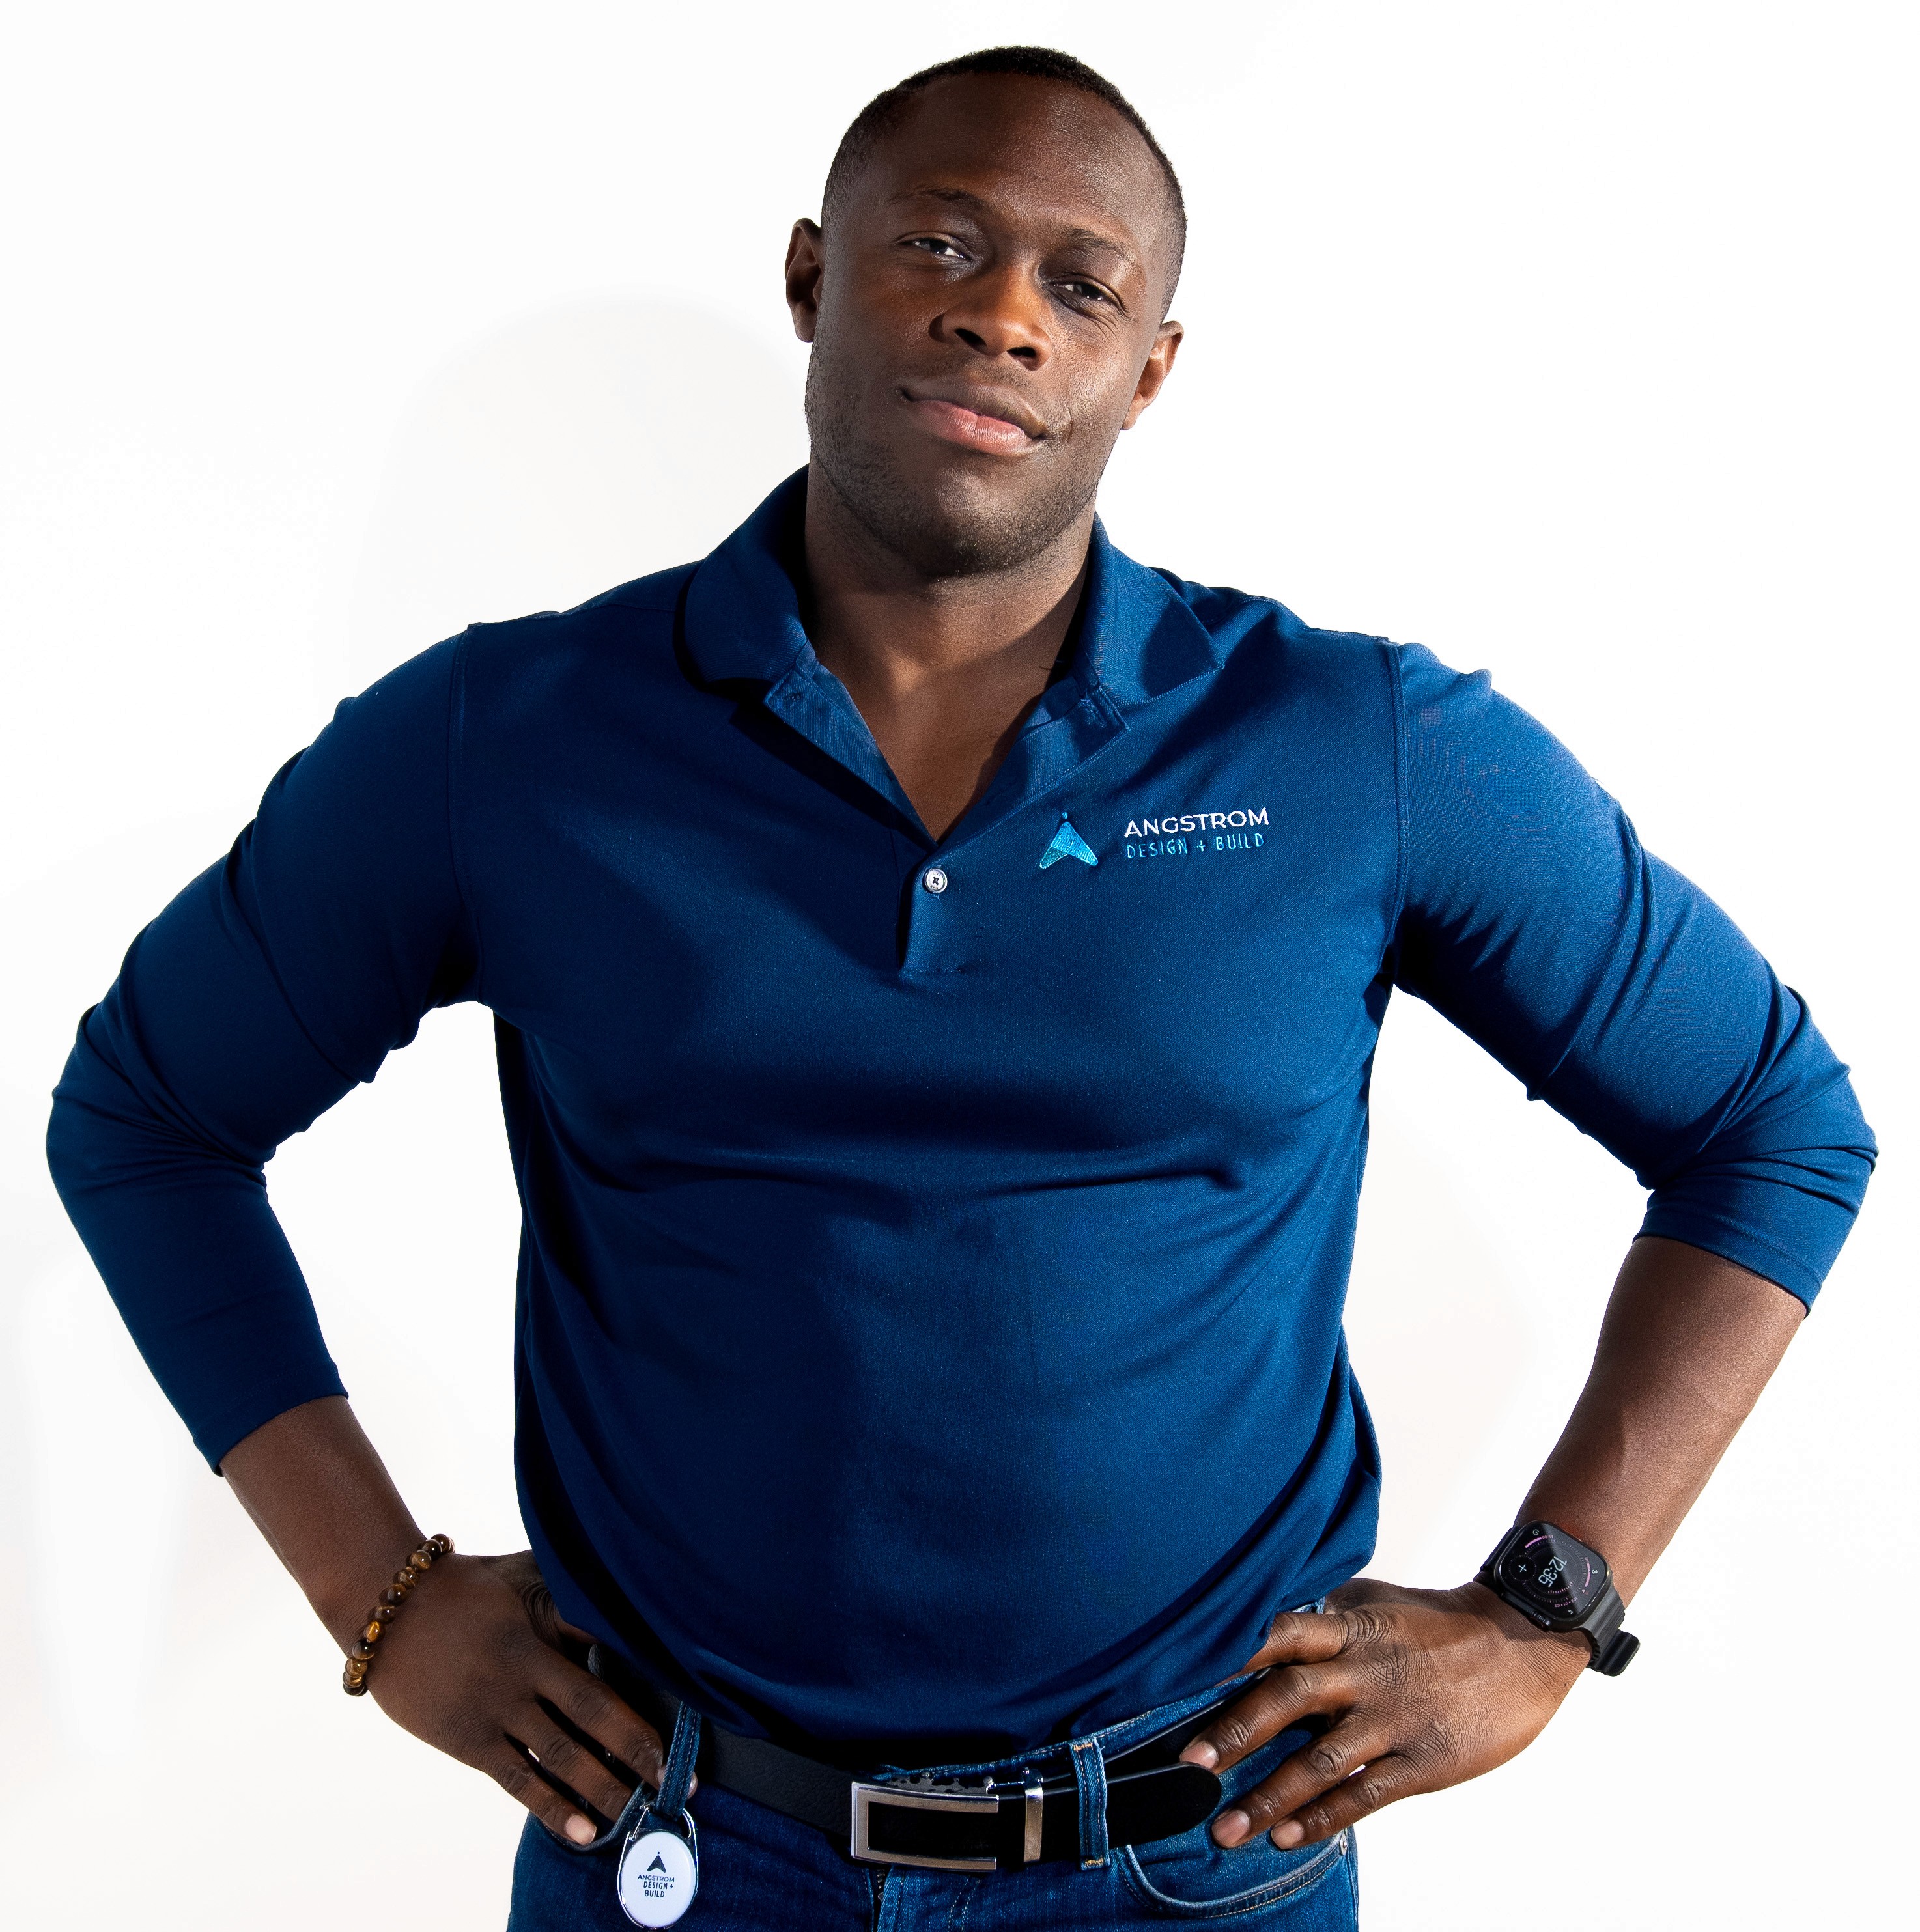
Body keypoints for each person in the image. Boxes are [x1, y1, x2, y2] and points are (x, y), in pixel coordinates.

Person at [46, 44, 1874, 1932]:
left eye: (1080, 285)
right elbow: (147, 1118)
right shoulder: (507, 741)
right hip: (679, 1850)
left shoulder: (1356, 748)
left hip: (1194, 1859)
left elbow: (1767, 1125)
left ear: (1147, 369)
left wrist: (1543, 1615)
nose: (1002, 315)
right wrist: (381, 1593)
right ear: (809, 280)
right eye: (939, 240)